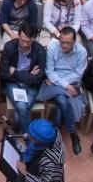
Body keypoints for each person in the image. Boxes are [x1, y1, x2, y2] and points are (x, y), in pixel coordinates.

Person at [37, 26, 88, 154]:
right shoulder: (53, 47)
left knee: (61, 101)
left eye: (68, 43)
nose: (64, 46)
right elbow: (49, 71)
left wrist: (61, 82)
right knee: (62, 99)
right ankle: (73, 134)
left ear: (74, 41)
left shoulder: (82, 52)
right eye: (62, 42)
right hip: (56, 84)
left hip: (68, 82)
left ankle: (53, 136)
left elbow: (78, 74)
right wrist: (65, 85)